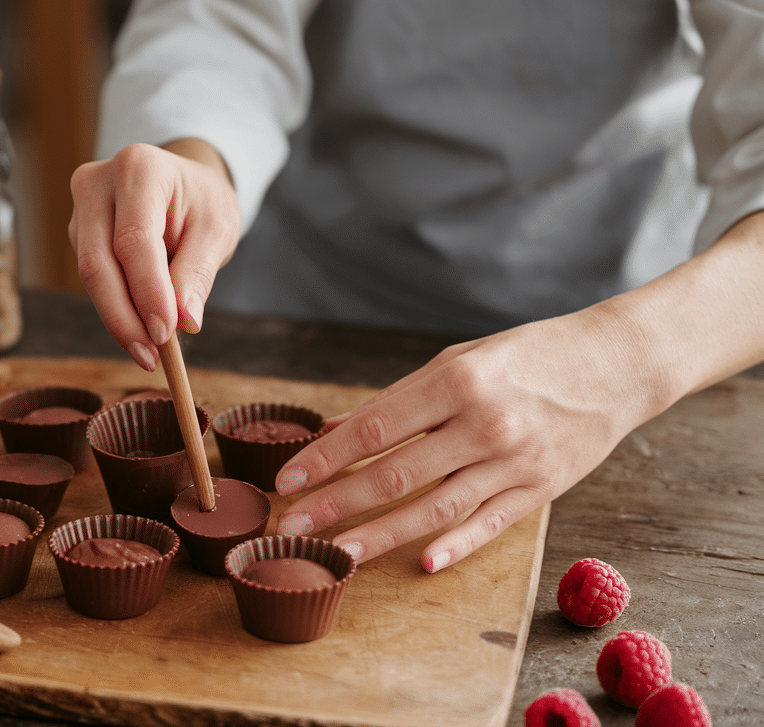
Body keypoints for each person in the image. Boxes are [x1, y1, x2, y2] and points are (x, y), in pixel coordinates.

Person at [67, 0, 764, 573]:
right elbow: (219, 20)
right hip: (310, 292)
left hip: (622, 324)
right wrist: (194, 154)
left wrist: (619, 359)